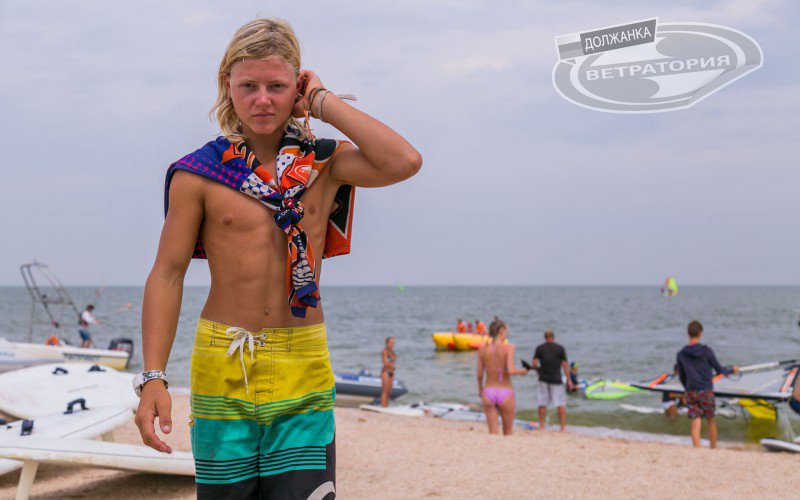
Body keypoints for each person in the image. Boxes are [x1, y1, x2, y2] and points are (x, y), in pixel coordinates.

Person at [133, 18, 422, 499]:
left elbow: (404, 162)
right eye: (248, 86)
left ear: (297, 88)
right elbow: (167, 274)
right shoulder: (200, 173)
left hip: (302, 357)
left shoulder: (325, 164)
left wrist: (324, 102)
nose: (262, 99)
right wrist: (153, 378)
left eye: (277, 86)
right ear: (227, 85)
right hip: (222, 358)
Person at [676, 320, 739, 448]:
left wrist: (687, 388)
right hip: (705, 390)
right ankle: (713, 448)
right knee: (710, 421)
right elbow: (720, 370)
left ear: (688, 334)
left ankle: (697, 449)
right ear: (700, 333)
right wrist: (733, 370)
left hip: (691, 391)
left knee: (695, 424)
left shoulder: (681, 354)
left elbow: (682, 376)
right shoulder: (706, 351)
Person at [476, 320, 528, 435]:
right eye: (506, 332)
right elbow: (510, 370)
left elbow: (479, 374)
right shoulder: (509, 348)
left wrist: (480, 389)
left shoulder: (482, 350)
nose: (506, 335)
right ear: (501, 332)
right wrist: (522, 371)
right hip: (505, 391)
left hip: (489, 391)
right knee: (508, 432)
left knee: (493, 433)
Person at [532, 329, 573, 431]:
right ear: (553, 337)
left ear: (544, 337)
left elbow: (534, 363)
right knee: (560, 404)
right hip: (556, 379)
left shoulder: (540, 348)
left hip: (543, 378)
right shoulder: (560, 348)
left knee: (542, 403)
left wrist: (538, 371)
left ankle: (541, 426)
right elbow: (565, 365)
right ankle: (562, 427)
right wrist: (569, 380)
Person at [380, 337, 396, 407]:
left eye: (393, 343)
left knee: (389, 391)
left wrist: (392, 367)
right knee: (385, 391)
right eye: (391, 342)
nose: (392, 344)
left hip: (391, 373)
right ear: (387, 343)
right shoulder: (385, 351)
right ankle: (383, 406)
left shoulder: (392, 352)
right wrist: (392, 367)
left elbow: (393, 361)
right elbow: (385, 363)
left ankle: (386, 405)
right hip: (385, 372)